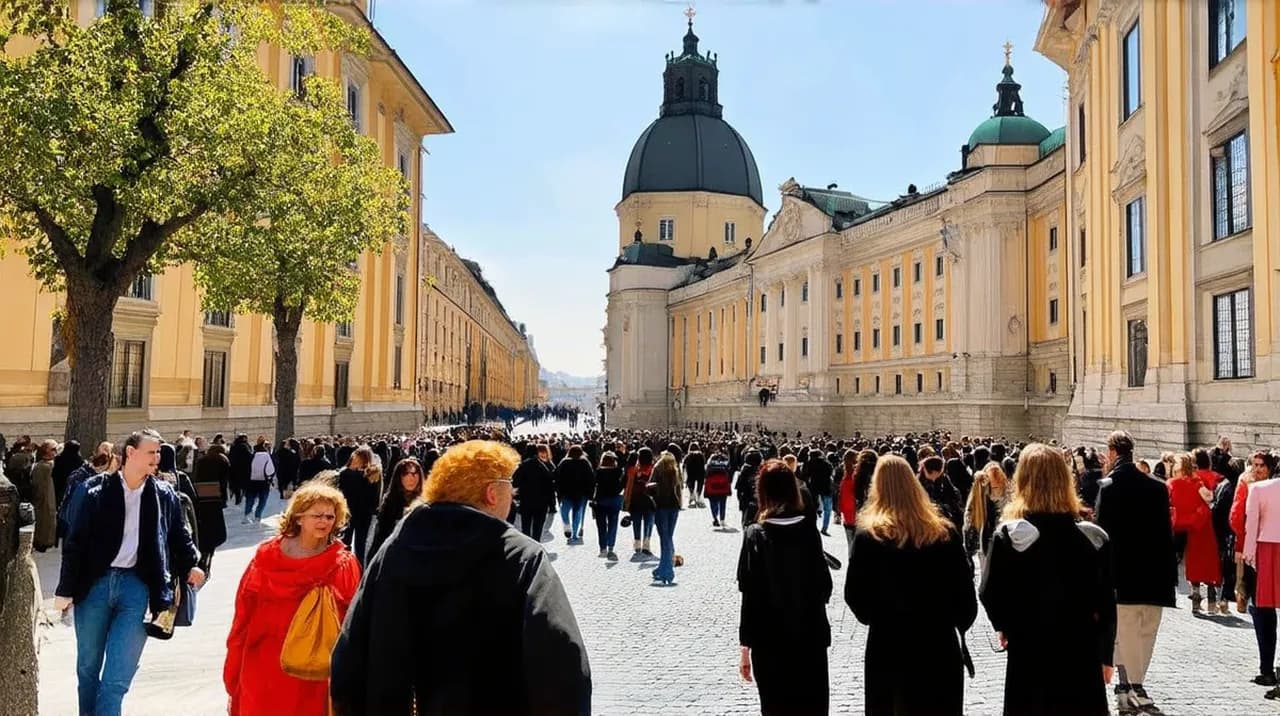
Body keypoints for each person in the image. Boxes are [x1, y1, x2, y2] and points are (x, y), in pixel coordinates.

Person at [329, 440, 592, 715]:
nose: (514, 495)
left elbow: (349, 655)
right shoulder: (523, 556)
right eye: (510, 487)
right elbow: (560, 662)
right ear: (491, 493)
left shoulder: (393, 550)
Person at [55, 429, 204, 716]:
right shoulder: (95, 491)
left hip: (138, 589)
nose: (156, 458)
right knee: (88, 668)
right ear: (130, 453)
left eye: (158, 452)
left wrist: (192, 564)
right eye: (151, 452)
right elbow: (75, 543)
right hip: (95, 586)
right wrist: (65, 589)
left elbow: (179, 536)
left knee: (117, 678)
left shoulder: (164, 494)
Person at [979, 443, 1116, 716]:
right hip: (1080, 649)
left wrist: (1005, 625)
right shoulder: (1093, 538)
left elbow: (989, 592)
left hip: (1029, 648)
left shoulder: (1010, 536)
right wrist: (1105, 654)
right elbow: (1106, 601)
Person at [846, 454, 976, 716]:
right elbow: (965, 600)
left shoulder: (868, 537)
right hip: (938, 645)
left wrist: (881, 616)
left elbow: (856, 597)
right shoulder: (944, 533)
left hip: (888, 646)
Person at [225, 478, 361, 716]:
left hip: (316, 670)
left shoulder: (343, 564)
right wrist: (233, 671)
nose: (324, 521)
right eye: (317, 515)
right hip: (265, 664)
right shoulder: (265, 559)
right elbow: (243, 616)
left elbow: (353, 622)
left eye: (330, 516)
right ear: (298, 517)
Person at [737, 459, 832, 715]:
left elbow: (750, 596)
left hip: (770, 642)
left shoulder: (754, 536)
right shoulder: (809, 532)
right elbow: (824, 587)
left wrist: (745, 647)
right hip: (810, 638)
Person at [1093, 430, 1176, 715]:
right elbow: (1166, 535)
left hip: (1120, 574)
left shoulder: (1108, 487)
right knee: (1143, 635)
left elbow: (1101, 537)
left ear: (1112, 452)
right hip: (1153, 574)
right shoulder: (1158, 487)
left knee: (1122, 634)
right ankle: (1131, 687)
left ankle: (1128, 687)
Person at [1168, 451, 1220, 613]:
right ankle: (1211, 598)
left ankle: (1196, 595)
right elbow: (1209, 498)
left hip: (1180, 525)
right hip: (1200, 525)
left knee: (1191, 562)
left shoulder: (1171, 484)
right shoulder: (1197, 483)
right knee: (1206, 560)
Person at [1246, 454, 1280, 702]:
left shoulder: (1258, 489)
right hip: (1268, 548)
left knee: (1265, 610)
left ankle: (1268, 669)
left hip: (1267, 550)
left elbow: (1251, 524)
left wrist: (1249, 554)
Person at [368, 457, 424, 559]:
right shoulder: (390, 502)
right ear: (399, 477)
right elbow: (380, 537)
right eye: (406, 474)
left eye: (414, 473)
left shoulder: (426, 502)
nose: (411, 478)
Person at [338, 446, 382, 565]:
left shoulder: (346, 474)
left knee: (346, 542)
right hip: (362, 513)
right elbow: (376, 497)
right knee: (359, 544)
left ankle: (346, 567)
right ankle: (357, 568)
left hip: (350, 512)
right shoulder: (373, 474)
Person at [191, 443, 229, 577]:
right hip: (215, 497)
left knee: (203, 528)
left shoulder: (202, 460)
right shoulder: (223, 460)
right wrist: (223, 499)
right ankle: (208, 556)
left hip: (200, 497)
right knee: (215, 529)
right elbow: (224, 481)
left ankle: (202, 555)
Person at [963, 464, 1012, 564]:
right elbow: (969, 518)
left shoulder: (1009, 493)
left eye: (999, 486)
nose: (996, 490)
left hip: (1004, 539)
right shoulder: (978, 495)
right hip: (986, 542)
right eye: (994, 487)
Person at [650, 451, 683, 585]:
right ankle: (662, 568)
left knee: (664, 538)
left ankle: (667, 571)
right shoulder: (675, 470)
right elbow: (680, 489)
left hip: (661, 506)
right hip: (673, 506)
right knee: (668, 536)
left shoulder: (657, 468)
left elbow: (651, 485)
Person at [513, 443, 556, 543]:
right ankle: (535, 544)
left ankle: (527, 545)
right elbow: (551, 485)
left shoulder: (524, 465)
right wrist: (552, 504)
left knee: (526, 526)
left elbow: (515, 481)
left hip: (526, 499)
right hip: (542, 501)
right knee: (538, 527)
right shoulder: (546, 466)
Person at [554, 445, 594, 544]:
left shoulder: (564, 462)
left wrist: (558, 491)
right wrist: (590, 493)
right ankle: (575, 534)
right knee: (577, 512)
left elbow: (557, 476)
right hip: (581, 492)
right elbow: (591, 478)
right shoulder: (585, 462)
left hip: (566, 491)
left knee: (564, 510)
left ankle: (567, 525)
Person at [622, 446, 657, 555]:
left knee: (636, 521)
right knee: (649, 521)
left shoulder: (633, 469)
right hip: (650, 499)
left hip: (635, 499)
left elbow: (626, 483)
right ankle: (646, 542)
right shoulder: (653, 469)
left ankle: (637, 542)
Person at [591, 451, 624, 560]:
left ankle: (603, 548)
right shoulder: (618, 471)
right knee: (613, 524)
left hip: (601, 500)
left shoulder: (598, 471)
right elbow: (621, 485)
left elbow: (593, 485)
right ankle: (611, 547)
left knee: (601, 525)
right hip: (614, 500)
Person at [31, 439, 58, 552]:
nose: (55, 452)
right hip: (43, 499)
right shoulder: (42, 467)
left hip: (49, 498)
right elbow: (38, 486)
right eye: (53, 449)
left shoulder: (48, 465)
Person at [243, 441, 276, 524]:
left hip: (252, 481)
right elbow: (270, 470)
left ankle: (247, 515)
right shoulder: (267, 457)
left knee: (250, 499)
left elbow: (247, 469)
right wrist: (269, 477)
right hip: (263, 482)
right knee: (262, 500)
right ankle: (257, 516)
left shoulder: (251, 456)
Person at [704, 447, 732, 528]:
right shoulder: (725, 462)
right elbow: (729, 472)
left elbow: (706, 473)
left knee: (713, 502)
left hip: (712, 486)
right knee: (723, 503)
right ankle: (722, 519)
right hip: (723, 485)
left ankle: (715, 517)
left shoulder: (710, 463)